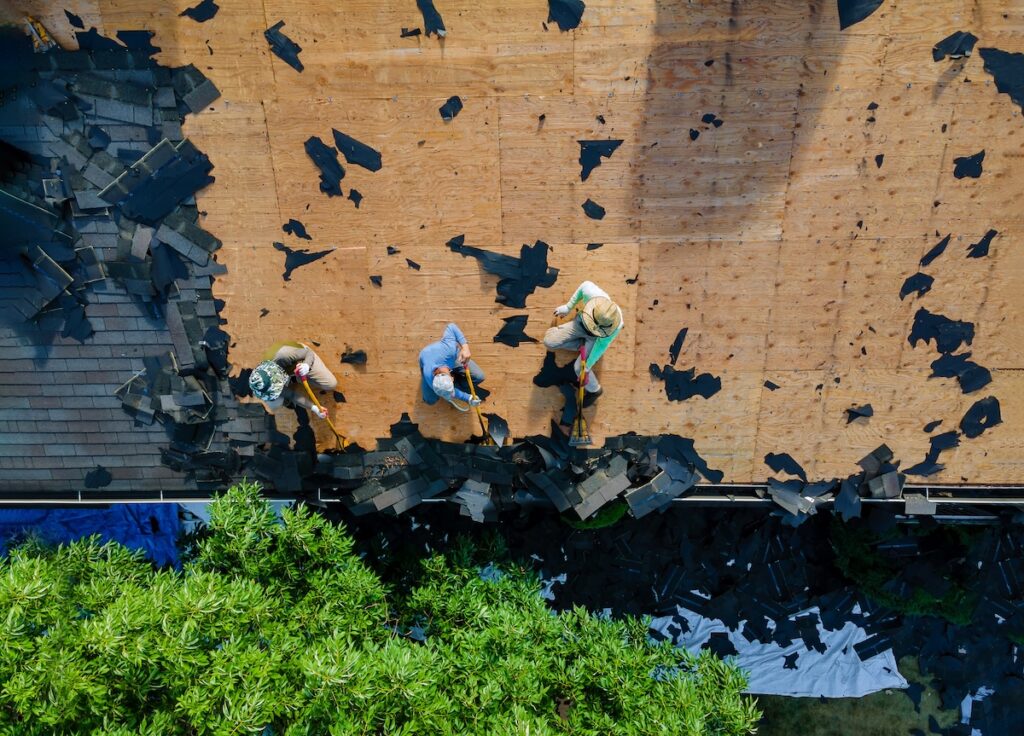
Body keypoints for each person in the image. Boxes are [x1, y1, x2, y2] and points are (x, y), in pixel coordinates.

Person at [544, 281, 623, 396]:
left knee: (578, 369)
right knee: (549, 342)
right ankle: (582, 345)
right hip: (580, 324)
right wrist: (568, 307)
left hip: (594, 339)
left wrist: (587, 367)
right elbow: (583, 286)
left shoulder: (616, 326)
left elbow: (601, 346)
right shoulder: (592, 293)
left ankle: (595, 390)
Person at [249, 340, 337, 418]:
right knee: (274, 404)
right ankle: (293, 379)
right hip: (285, 372)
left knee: (330, 384)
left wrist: (306, 365)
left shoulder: (283, 355)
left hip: (301, 359)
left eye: (278, 388)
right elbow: (292, 395)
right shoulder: (259, 380)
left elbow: (308, 353)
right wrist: (315, 408)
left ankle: (295, 378)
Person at [419, 323, 485, 408]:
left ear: (452, 378)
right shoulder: (430, 379)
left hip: (451, 357)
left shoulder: (449, 349)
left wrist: (465, 348)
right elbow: (452, 393)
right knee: (430, 400)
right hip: (427, 358)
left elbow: (451, 326)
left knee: (479, 377)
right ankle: (452, 387)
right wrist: (468, 398)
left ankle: (454, 386)